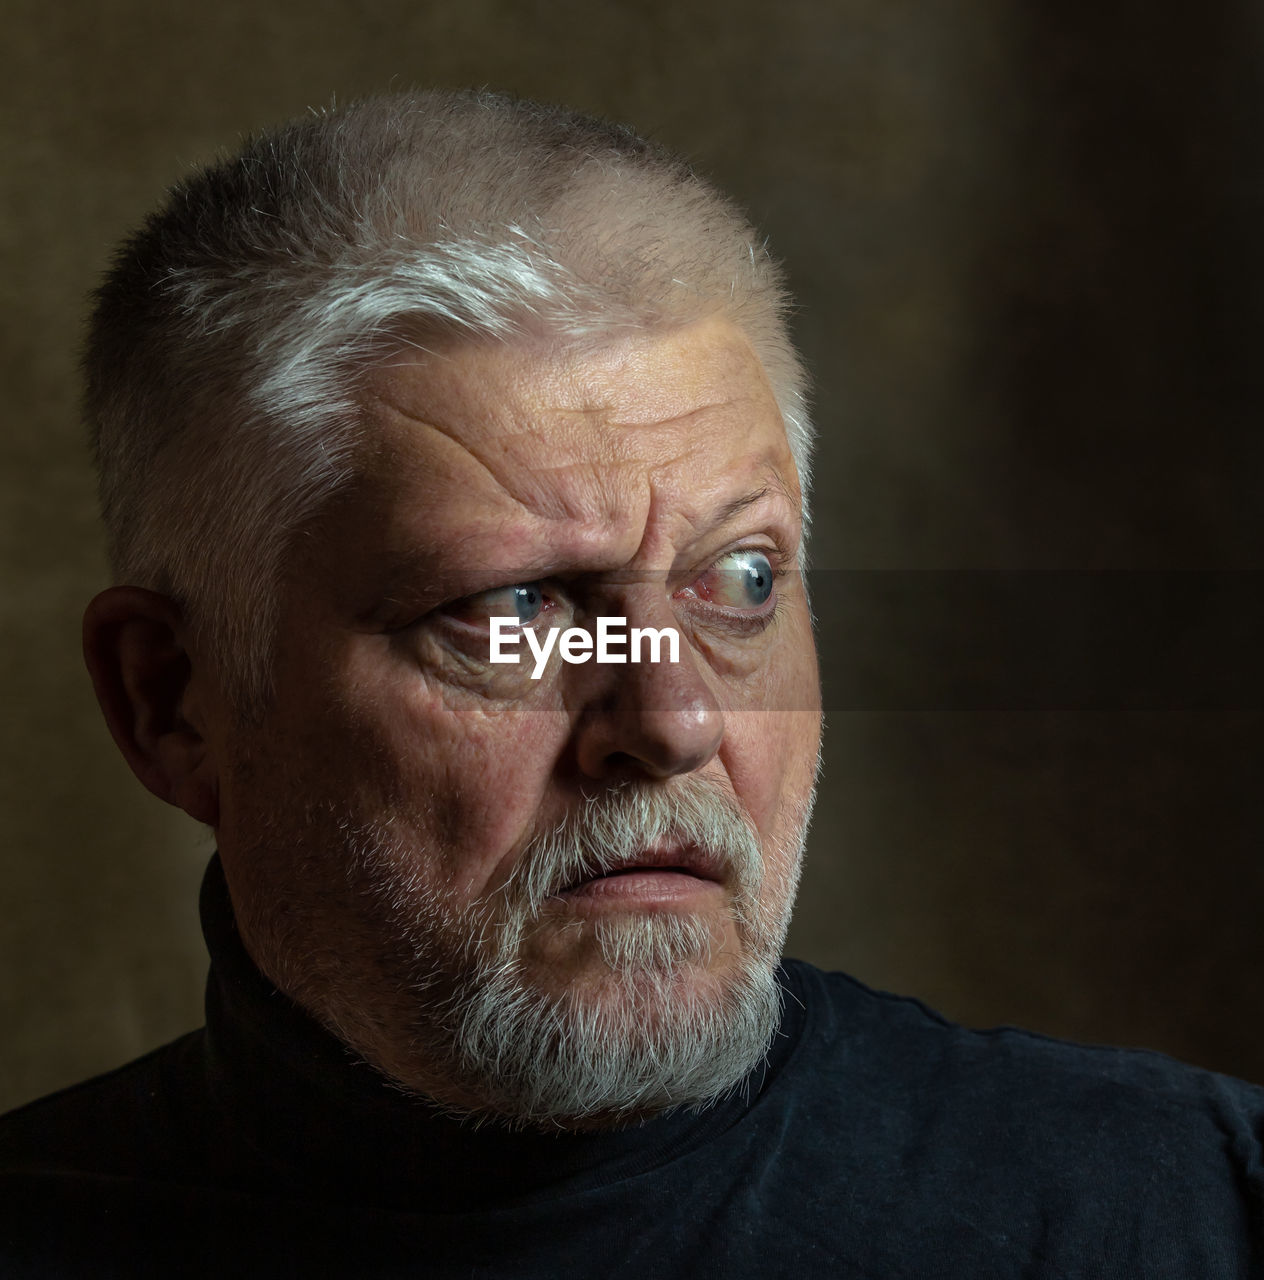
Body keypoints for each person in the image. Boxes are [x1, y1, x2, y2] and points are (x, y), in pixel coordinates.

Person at [0, 89, 1260, 1278]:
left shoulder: (1190, 1215)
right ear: (172, 700)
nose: (673, 721)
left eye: (741, 580)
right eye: (510, 607)